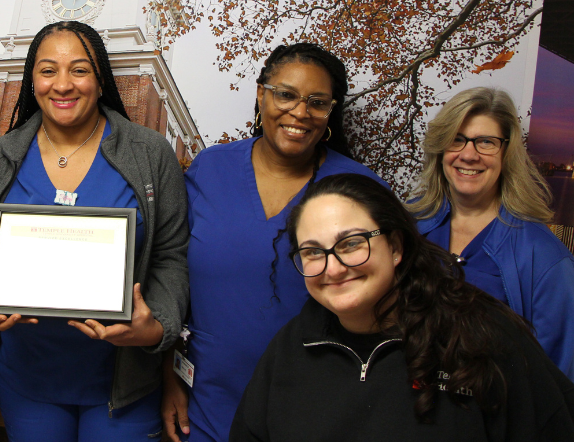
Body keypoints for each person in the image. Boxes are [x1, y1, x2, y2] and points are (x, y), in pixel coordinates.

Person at [0, 20, 189, 441]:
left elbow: (170, 256)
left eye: (80, 70)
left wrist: (157, 326)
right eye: (48, 70)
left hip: (124, 383)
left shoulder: (150, 154)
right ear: (32, 79)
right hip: (27, 378)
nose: (63, 85)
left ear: (101, 78)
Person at [230, 173, 574, 441]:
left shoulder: (483, 337)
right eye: (313, 252)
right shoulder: (290, 351)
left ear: (395, 246)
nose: (332, 267)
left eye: (351, 244)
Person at [162, 43, 385, 442]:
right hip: (207, 403)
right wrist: (168, 375)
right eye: (285, 94)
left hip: (318, 404)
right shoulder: (210, 168)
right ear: (261, 94)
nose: (300, 112)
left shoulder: (357, 189)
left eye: (317, 102)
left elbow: (390, 297)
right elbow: (170, 275)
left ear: (331, 113)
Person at [410, 87, 574, 379]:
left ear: (506, 152)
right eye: (457, 140)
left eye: (486, 141)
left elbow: (557, 379)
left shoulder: (545, 257)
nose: (468, 155)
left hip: (492, 416)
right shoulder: (406, 226)